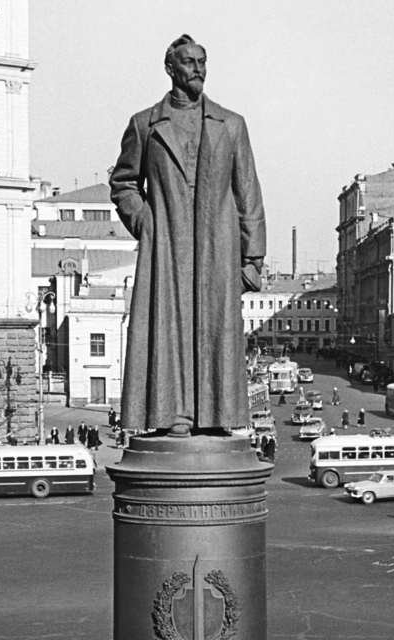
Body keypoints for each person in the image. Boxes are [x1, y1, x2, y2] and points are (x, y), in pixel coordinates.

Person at [110, 34, 265, 436]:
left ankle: (217, 416)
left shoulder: (231, 124)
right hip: (167, 245)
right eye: (189, 62)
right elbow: (124, 183)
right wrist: (145, 222)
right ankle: (172, 415)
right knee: (169, 326)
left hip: (218, 246)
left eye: (202, 61)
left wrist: (252, 259)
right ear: (170, 68)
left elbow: (247, 191)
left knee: (216, 329)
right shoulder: (145, 124)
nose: (198, 68)